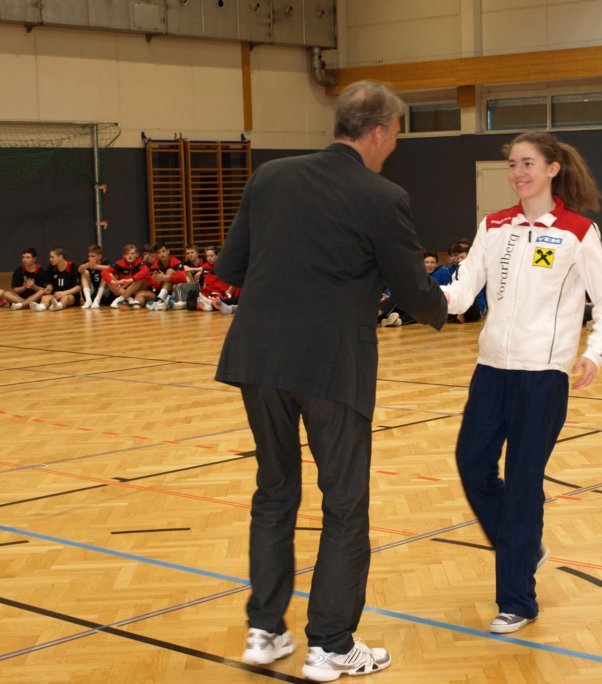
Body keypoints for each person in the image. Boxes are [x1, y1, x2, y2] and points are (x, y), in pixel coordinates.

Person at [214, 80, 446, 681]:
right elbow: (414, 290)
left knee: (275, 492)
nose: (395, 145)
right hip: (331, 366)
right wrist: (448, 305)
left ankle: (265, 631)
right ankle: (331, 644)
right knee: (344, 504)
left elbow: (231, 266)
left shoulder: (270, 177)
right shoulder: (381, 195)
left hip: (259, 360)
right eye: (396, 134)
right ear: (378, 131)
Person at [441, 130, 602, 635]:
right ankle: (524, 548)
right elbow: (463, 292)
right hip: (491, 370)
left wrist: (594, 353)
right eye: (513, 165)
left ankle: (517, 600)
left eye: (527, 164)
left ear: (551, 169)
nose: (518, 173)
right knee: (472, 464)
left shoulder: (577, 231)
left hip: (543, 377)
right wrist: (420, 293)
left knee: (523, 483)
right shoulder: (494, 225)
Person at [102, 243, 150, 309]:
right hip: (124, 289)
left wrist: (131, 280)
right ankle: (128, 298)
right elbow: (104, 272)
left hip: (138, 290)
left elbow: (145, 271)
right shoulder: (120, 263)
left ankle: (119, 299)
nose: (130, 256)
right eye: (127, 254)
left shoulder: (139, 262)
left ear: (137, 255)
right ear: (124, 256)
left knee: (141, 278)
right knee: (109, 276)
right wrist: (114, 282)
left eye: (132, 253)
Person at [78, 244, 110, 309]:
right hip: (92, 290)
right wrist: (88, 265)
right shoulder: (87, 263)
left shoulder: (105, 262)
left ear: (99, 256)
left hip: (104, 291)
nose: (90, 258)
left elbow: (112, 268)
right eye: (89, 256)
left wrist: (97, 267)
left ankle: (97, 300)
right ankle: (88, 300)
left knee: (106, 273)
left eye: (93, 256)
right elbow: (79, 269)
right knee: (84, 272)